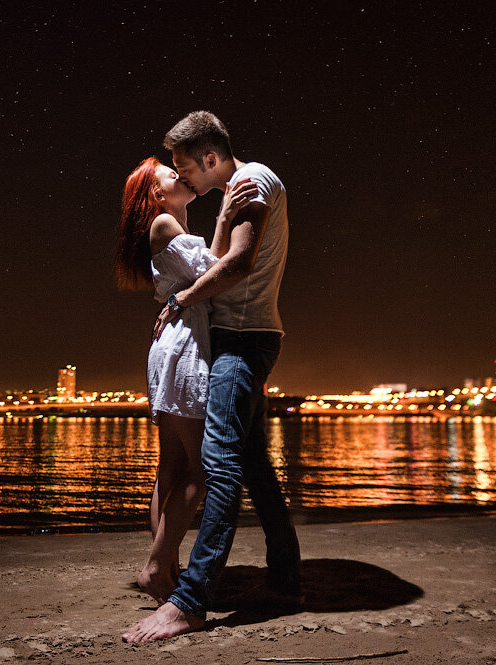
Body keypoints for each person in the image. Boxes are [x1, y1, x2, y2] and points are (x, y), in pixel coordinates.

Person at [123, 111, 302, 643]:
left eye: (183, 167)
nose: (182, 176)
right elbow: (220, 260)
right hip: (233, 338)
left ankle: (190, 599)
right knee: (252, 465)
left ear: (208, 158)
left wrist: (180, 299)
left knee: (217, 466)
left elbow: (236, 263)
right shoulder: (230, 193)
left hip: (242, 339)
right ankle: (286, 579)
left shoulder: (251, 181)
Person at [115, 156, 258, 603]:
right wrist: (227, 217)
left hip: (175, 344)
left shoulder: (171, 224)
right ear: (157, 193)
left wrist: (222, 220)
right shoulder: (163, 224)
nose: (181, 175)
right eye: (170, 174)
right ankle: (158, 565)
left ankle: (166, 565)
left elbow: (204, 267)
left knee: (172, 468)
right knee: (202, 470)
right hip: (185, 348)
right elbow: (215, 272)